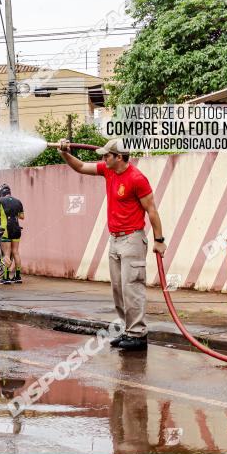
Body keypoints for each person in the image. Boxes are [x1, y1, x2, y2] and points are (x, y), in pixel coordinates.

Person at [57, 138, 166, 351]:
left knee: (131, 288)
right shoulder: (108, 171)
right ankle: (128, 330)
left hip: (132, 239)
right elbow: (79, 167)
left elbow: (152, 210)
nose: (103, 158)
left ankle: (138, 334)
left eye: (107, 155)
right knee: (118, 289)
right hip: (115, 239)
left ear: (119, 157)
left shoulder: (137, 178)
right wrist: (64, 153)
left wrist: (159, 240)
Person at [0, 183, 25, 285]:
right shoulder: (18, 201)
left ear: (1, 193)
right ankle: (17, 277)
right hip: (17, 228)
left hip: (5, 229)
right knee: (15, 252)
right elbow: (22, 217)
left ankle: (6, 277)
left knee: (6, 253)